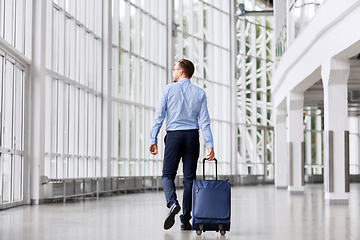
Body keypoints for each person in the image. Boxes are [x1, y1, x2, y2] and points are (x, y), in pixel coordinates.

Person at [149, 59, 215, 231]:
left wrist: (153, 139)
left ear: (181, 72)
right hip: (193, 137)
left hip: (174, 137)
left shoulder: (168, 89)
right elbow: (205, 122)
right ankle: (185, 219)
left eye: (174, 69)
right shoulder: (200, 93)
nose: (173, 72)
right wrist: (210, 145)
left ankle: (172, 204)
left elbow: (159, 116)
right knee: (189, 180)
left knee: (167, 175)